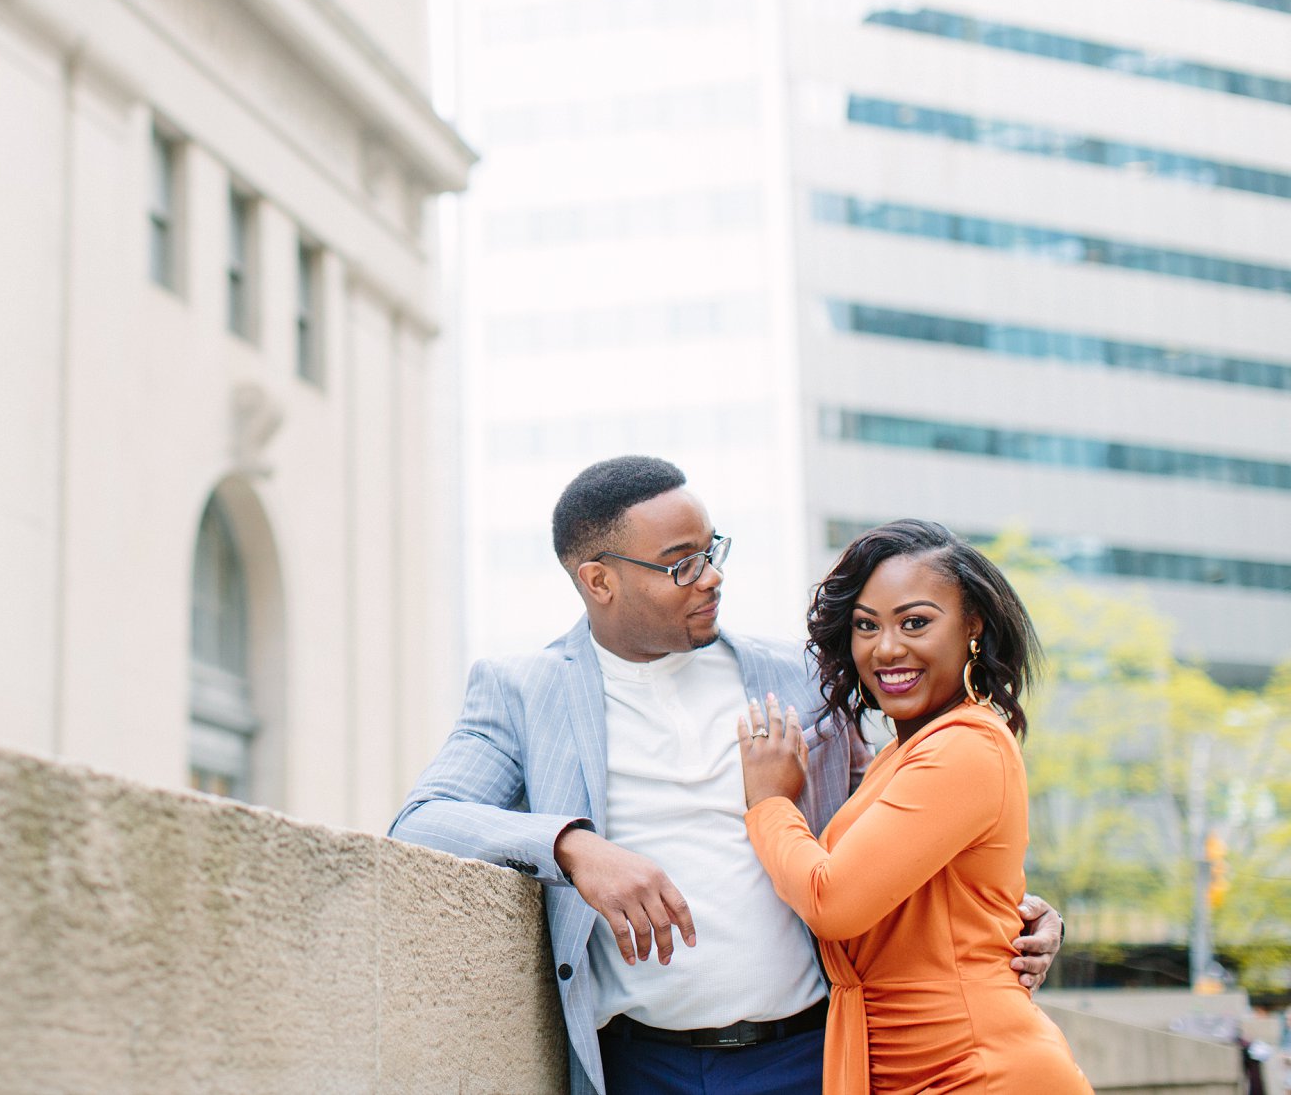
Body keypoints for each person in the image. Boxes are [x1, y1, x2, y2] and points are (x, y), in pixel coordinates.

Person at [389, 457, 1062, 1095]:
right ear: (599, 580)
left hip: (810, 1052)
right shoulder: (524, 691)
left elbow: (906, 822)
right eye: (682, 564)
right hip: (639, 1062)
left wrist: (1016, 913)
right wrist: (575, 846)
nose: (711, 576)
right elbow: (424, 819)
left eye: (712, 551)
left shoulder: (801, 682)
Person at [737, 519, 1089, 1094]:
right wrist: (1019, 911)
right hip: (906, 1066)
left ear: (972, 625)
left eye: (916, 622)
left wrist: (770, 802)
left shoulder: (966, 744)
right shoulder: (902, 754)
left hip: (978, 1069)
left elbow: (833, 901)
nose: (888, 648)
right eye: (866, 626)